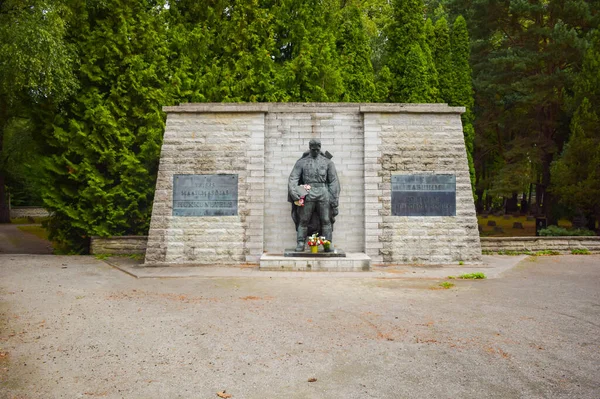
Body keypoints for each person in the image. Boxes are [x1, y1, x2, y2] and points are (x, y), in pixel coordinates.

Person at [288, 139, 340, 252]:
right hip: (308, 193)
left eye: (317, 149)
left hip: (323, 192)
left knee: (326, 220)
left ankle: (328, 243)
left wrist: (334, 198)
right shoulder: (301, 162)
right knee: (304, 219)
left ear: (320, 147)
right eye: (313, 149)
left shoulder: (328, 163)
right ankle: (300, 243)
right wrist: (294, 192)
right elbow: (293, 178)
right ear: (310, 147)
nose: (315, 151)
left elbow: (333, 181)